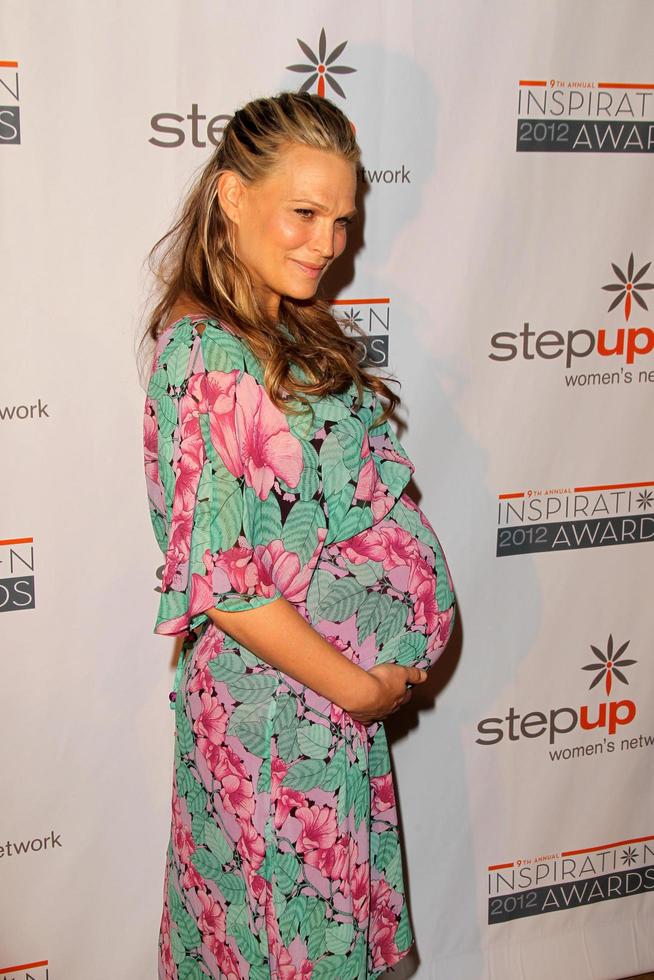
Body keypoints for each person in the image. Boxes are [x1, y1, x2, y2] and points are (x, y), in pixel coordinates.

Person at [141, 91, 456, 980]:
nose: (328, 243)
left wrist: (359, 690)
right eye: (304, 213)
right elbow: (230, 588)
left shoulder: (279, 330)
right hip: (278, 724)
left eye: (343, 219)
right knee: (277, 953)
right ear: (234, 198)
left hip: (321, 716)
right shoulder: (207, 355)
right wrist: (358, 690)